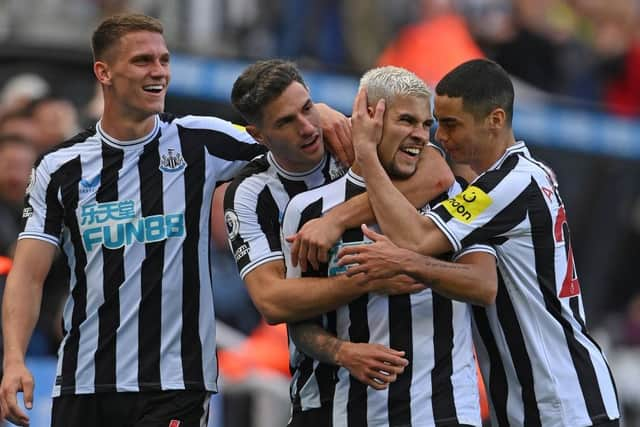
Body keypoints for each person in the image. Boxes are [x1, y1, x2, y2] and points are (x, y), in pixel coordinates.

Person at [0, 13, 349, 427]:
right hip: (84, 382)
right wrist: (15, 359)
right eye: (143, 61)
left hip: (176, 385)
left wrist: (320, 111)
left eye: (164, 60)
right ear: (104, 72)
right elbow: (28, 275)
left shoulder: (199, 140)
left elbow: (280, 132)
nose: (159, 72)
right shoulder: (60, 168)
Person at [331, 59, 620, 426]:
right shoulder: (515, 178)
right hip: (536, 403)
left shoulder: (508, 185)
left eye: (451, 125)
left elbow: (414, 239)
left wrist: (367, 154)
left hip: (561, 402)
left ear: (495, 120)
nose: (439, 136)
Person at [280, 65, 497, 427]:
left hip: (445, 413)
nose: (420, 136)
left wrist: (406, 264)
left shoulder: (466, 197)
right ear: (369, 119)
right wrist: (343, 351)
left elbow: (484, 285)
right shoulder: (309, 212)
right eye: (407, 121)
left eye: (426, 125)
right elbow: (298, 323)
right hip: (351, 413)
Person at [224, 59, 456, 391]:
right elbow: (273, 301)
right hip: (318, 381)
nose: (306, 127)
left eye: (307, 108)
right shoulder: (251, 193)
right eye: (287, 121)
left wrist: (336, 219)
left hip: (409, 381)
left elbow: (436, 174)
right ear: (259, 136)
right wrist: (369, 279)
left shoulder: (348, 136)